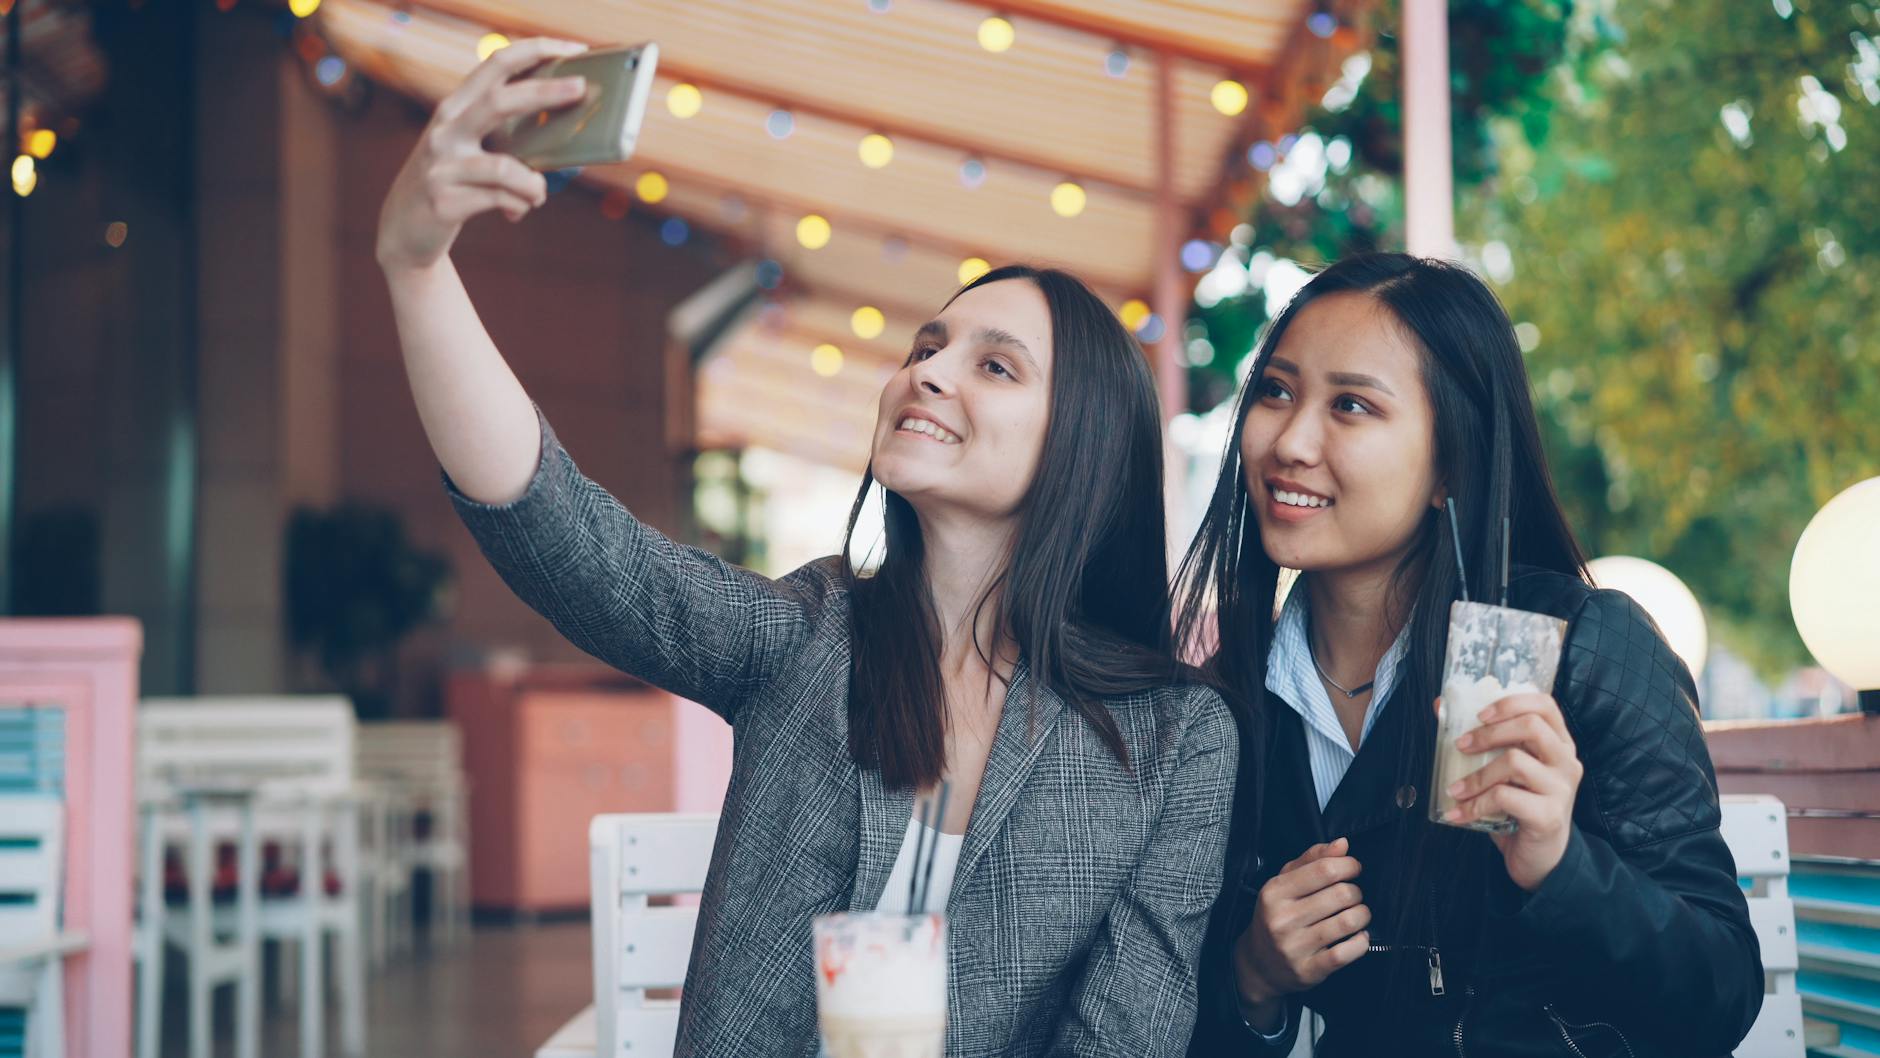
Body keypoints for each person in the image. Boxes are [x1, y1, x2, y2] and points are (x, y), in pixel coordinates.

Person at [375, 38, 1237, 1058]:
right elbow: (567, 537)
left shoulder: (1172, 739)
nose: (927, 370)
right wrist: (415, 264)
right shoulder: (811, 633)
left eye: (993, 364)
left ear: (1081, 446)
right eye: (927, 345)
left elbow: (1124, 1037)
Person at [1177, 253, 1761, 1056]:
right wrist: (1253, 981)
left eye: (1350, 404)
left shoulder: (1582, 648)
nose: (1291, 440)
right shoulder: (1224, 711)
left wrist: (1560, 866)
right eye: (1277, 391)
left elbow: (1720, 996)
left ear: (1450, 464)